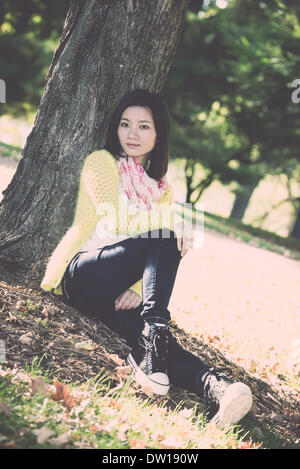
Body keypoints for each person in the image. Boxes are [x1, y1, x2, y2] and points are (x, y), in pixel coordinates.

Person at [40, 89, 253, 429]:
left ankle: (220, 388)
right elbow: (117, 220)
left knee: (151, 337)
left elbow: (158, 250)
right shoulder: (101, 163)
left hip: (119, 291)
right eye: (125, 125)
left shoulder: (161, 188)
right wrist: (173, 224)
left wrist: (139, 288)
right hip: (82, 274)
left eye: (143, 127)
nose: (132, 134)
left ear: (158, 135)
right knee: (166, 234)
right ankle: (157, 329)